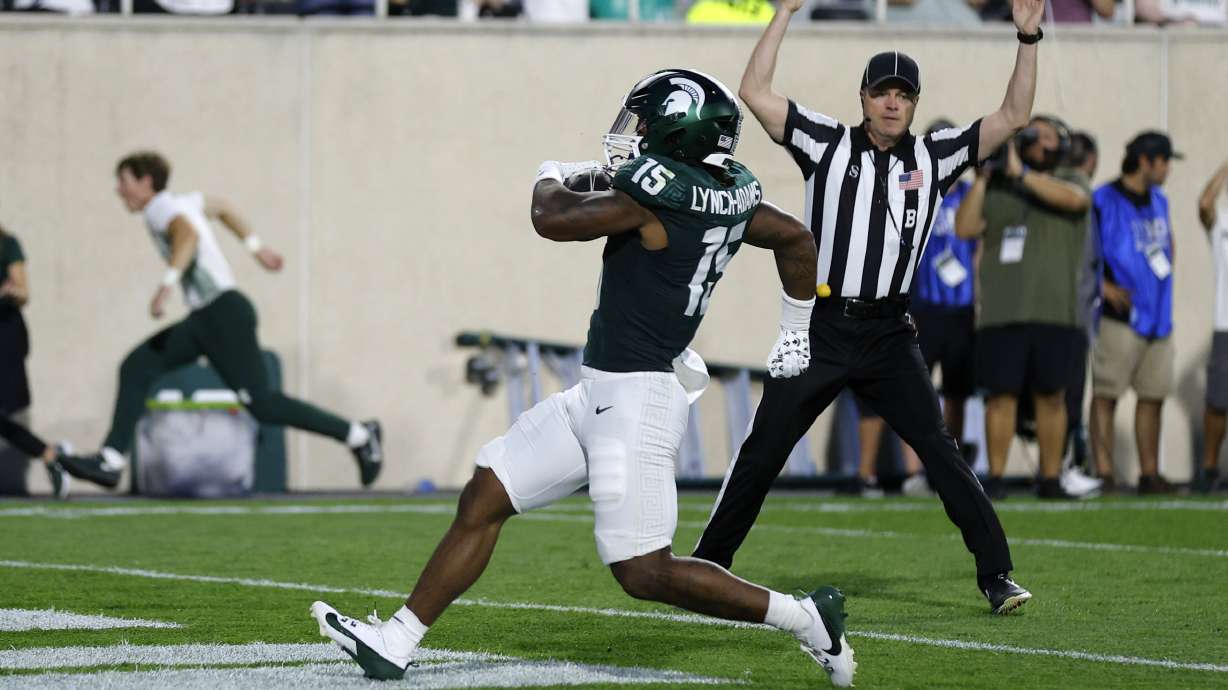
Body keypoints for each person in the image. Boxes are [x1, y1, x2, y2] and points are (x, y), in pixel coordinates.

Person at [311, 69, 858, 687]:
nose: (636, 133)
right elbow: (793, 235)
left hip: (637, 399)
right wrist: (796, 324)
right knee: (486, 494)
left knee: (643, 571)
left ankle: (808, 619)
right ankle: (397, 640)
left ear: (677, 135)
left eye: (647, 123)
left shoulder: (651, 202)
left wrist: (550, 173)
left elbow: (553, 217)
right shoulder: (725, 189)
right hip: (603, 391)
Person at [691, 0, 1043, 615]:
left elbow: (1014, 115)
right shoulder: (825, 141)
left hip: (888, 333)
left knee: (939, 451)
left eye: (903, 95)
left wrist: (1028, 36)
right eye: (883, 92)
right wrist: (784, 12)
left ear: (913, 104)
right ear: (863, 97)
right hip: (823, 325)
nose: (892, 104)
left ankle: (997, 576)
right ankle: (707, 567)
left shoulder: (934, 156)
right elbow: (754, 90)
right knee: (765, 447)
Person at [56, 152, 384, 491]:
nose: (118, 190)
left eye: (123, 182)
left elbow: (188, 236)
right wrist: (257, 247)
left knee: (263, 405)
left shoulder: (159, 210)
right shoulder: (184, 201)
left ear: (146, 182)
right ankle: (111, 460)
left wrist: (167, 285)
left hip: (221, 314)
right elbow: (222, 207)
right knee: (138, 366)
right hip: (208, 318)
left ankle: (360, 435)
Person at [956, 114, 1090, 501]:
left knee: (1052, 396)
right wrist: (983, 179)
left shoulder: (1071, 178)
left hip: (1054, 313)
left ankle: (1050, 478)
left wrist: (1022, 175)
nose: (1037, 142)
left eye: (1046, 136)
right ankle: (995, 478)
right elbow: (965, 228)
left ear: (1061, 144)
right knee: (1000, 397)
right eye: (1031, 136)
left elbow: (1076, 201)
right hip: (1001, 314)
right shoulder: (998, 185)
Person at [1089, 132, 1180, 494]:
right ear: (1145, 161)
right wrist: (1101, 287)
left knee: (1153, 395)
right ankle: (1104, 472)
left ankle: (1149, 472)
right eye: (1164, 161)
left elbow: (1169, 245)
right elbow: (1085, 254)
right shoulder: (1103, 200)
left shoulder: (1160, 201)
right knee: (1106, 396)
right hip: (1120, 318)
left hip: (1159, 315)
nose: (1168, 169)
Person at [0, 223, 70, 499]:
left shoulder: (7, 244)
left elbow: (23, 292)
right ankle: (51, 455)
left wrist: (10, 291)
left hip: (6, 333)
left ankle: (51, 455)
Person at [1197, 157, 1228, 493]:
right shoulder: (1223, 222)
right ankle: (1208, 468)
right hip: (1226, 324)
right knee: (1219, 402)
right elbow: (1205, 203)